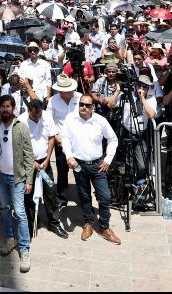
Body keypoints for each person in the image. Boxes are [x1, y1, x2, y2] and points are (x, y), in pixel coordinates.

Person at [62, 94, 121, 245]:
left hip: (97, 165)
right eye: (81, 104)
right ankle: (88, 223)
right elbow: (65, 138)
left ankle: (104, 227)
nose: (84, 107)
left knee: (105, 197)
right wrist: (69, 155)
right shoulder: (70, 119)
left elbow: (113, 139)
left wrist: (108, 159)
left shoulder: (100, 121)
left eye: (88, 105)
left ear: (93, 107)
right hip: (79, 165)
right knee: (84, 196)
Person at [0, 95, 34, 273]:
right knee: (4, 208)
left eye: (8, 106)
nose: (5, 109)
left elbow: (29, 155)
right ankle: (10, 237)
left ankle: (24, 250)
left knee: (20, 212)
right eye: (2, 107)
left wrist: (29, 179)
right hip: (0, 176)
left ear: (13, 108)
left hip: (17, 177)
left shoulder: (21, 127)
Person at [22, 98, 67, 239]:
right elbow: (19, 145)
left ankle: (54, 222)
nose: (37, 117)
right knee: (28, 195)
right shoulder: (21, 121)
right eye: (34, 115)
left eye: (39, 114)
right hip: (28, 164)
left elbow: (51, 137)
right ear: (28, 111)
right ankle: (31, 222)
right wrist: (31, 162)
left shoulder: (46, 116)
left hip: (44, 163)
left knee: (50, 191)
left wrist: (48, 158)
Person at [46, 74, 81, 208]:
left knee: (80, 169)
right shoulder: (53, 101)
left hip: (77, 139)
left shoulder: (79, 98)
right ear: (60, 91)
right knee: (62, 169)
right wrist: (55, 136)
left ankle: (83, 195)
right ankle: (62, 198)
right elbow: (49, 121)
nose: (71, 92)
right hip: (60, 139)